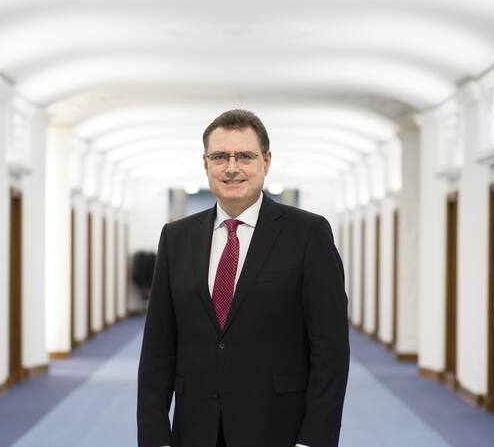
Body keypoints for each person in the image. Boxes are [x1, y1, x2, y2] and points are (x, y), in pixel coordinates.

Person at [137, 109, 350, 447]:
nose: (232, 167)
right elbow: (157, 350)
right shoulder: (176, 238)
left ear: (266, 161)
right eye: (220, 156)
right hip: (195, 429)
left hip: (278, 428)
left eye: (245, 156)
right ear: (206, 163)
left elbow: (331, 350)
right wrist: (154, 437)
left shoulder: (308, 234)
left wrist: (315, 440)